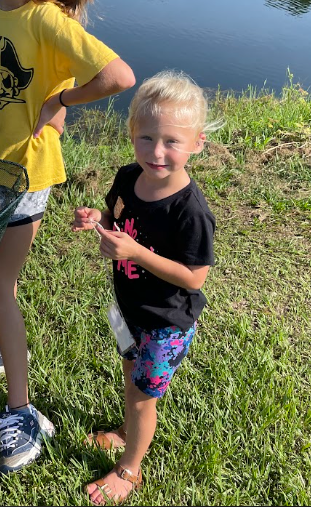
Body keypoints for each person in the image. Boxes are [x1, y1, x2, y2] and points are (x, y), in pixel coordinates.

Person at [0, 0, 136, 474]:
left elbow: (118, 76)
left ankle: (22, 410)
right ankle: (1, 347)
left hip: (28, 172)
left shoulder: (47, 19)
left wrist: (61, 101)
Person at [74, 70, 218, 504]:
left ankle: (130, 470)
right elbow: (114, 216)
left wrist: (135, 254)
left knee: (141, 398)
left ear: (197, 143)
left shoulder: (190, 211)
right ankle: (125, 433)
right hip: (130, 309)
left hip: (166, 322)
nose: (157, 152)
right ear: (132, 133)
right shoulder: (126, 177)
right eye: (146, 138)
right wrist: (97, 221)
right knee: (130, 380)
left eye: (172, 141)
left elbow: (194, 278)